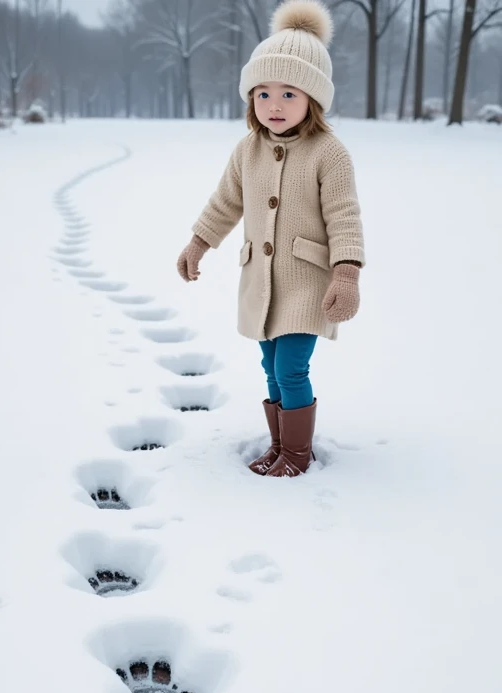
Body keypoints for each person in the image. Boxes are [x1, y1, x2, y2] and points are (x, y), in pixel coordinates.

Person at [177, 0, 365, 478]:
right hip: (260, 284)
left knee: (291, 369)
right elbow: (225, 203)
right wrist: (199, 242)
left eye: (288, 93)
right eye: (263, 94)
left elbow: (344, 216)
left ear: (313, 100)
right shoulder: (248, 150)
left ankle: (297, 456)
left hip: (306, 283)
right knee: (269, 366)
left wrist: (346, 272)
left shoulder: (329, 153)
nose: (274, 106)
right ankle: (280, 445)